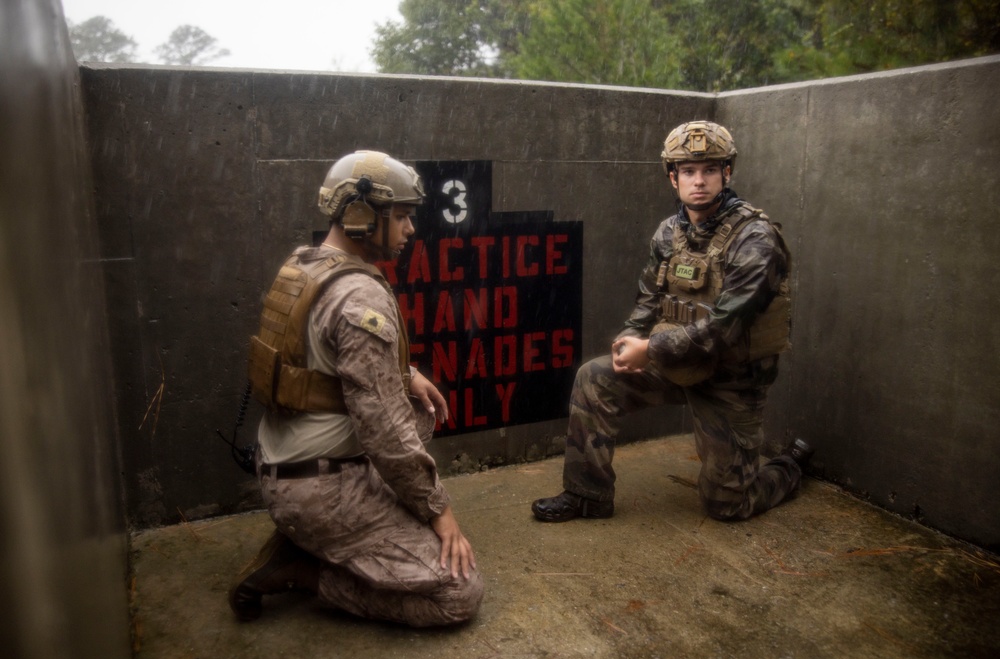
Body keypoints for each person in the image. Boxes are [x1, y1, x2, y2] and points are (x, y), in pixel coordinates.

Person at [229, 150, 484, 626]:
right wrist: (440, 512)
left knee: (420, 412)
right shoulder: (359, 296)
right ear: (361, 215)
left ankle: (308, 535)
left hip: (283, 465)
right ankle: (305, 570)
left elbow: (320, 358)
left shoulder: (307, 264)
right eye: (403, 217)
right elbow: (385, 432)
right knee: (458, 593)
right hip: (321, 490)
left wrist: (406, 374)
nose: (411, 230)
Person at [532, 121, 814, 523]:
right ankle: (587, 495)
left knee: (726, 505)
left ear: (726, 173)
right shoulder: (669, 232)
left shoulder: (756, 239)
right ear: (673, 177)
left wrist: (649, 350)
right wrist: (631, 338)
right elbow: (649, 300)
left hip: (731, 380)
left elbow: (724, 328)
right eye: (687, 171)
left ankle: (788, 467)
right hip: (673, 361)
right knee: (594, 378)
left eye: (710, 170)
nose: (698, 181)